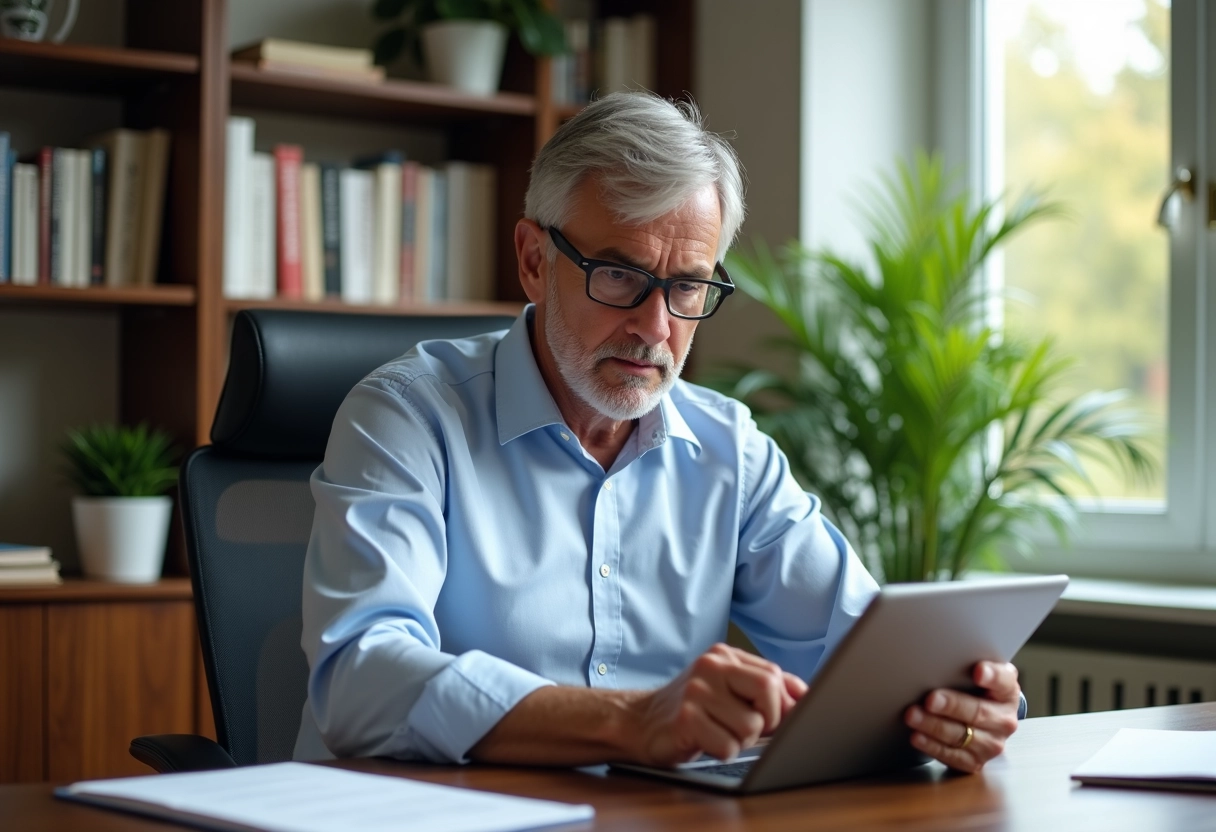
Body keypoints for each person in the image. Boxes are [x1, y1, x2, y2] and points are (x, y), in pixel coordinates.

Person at [293, 91, 1023, 774]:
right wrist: (631, 721)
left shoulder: (730, 450)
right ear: (534, 261)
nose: (655, 327)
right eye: (619, 275)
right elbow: (361, 678)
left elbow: (865, 647)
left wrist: (965, 699)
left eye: (688, 286)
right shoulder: (406, 416)